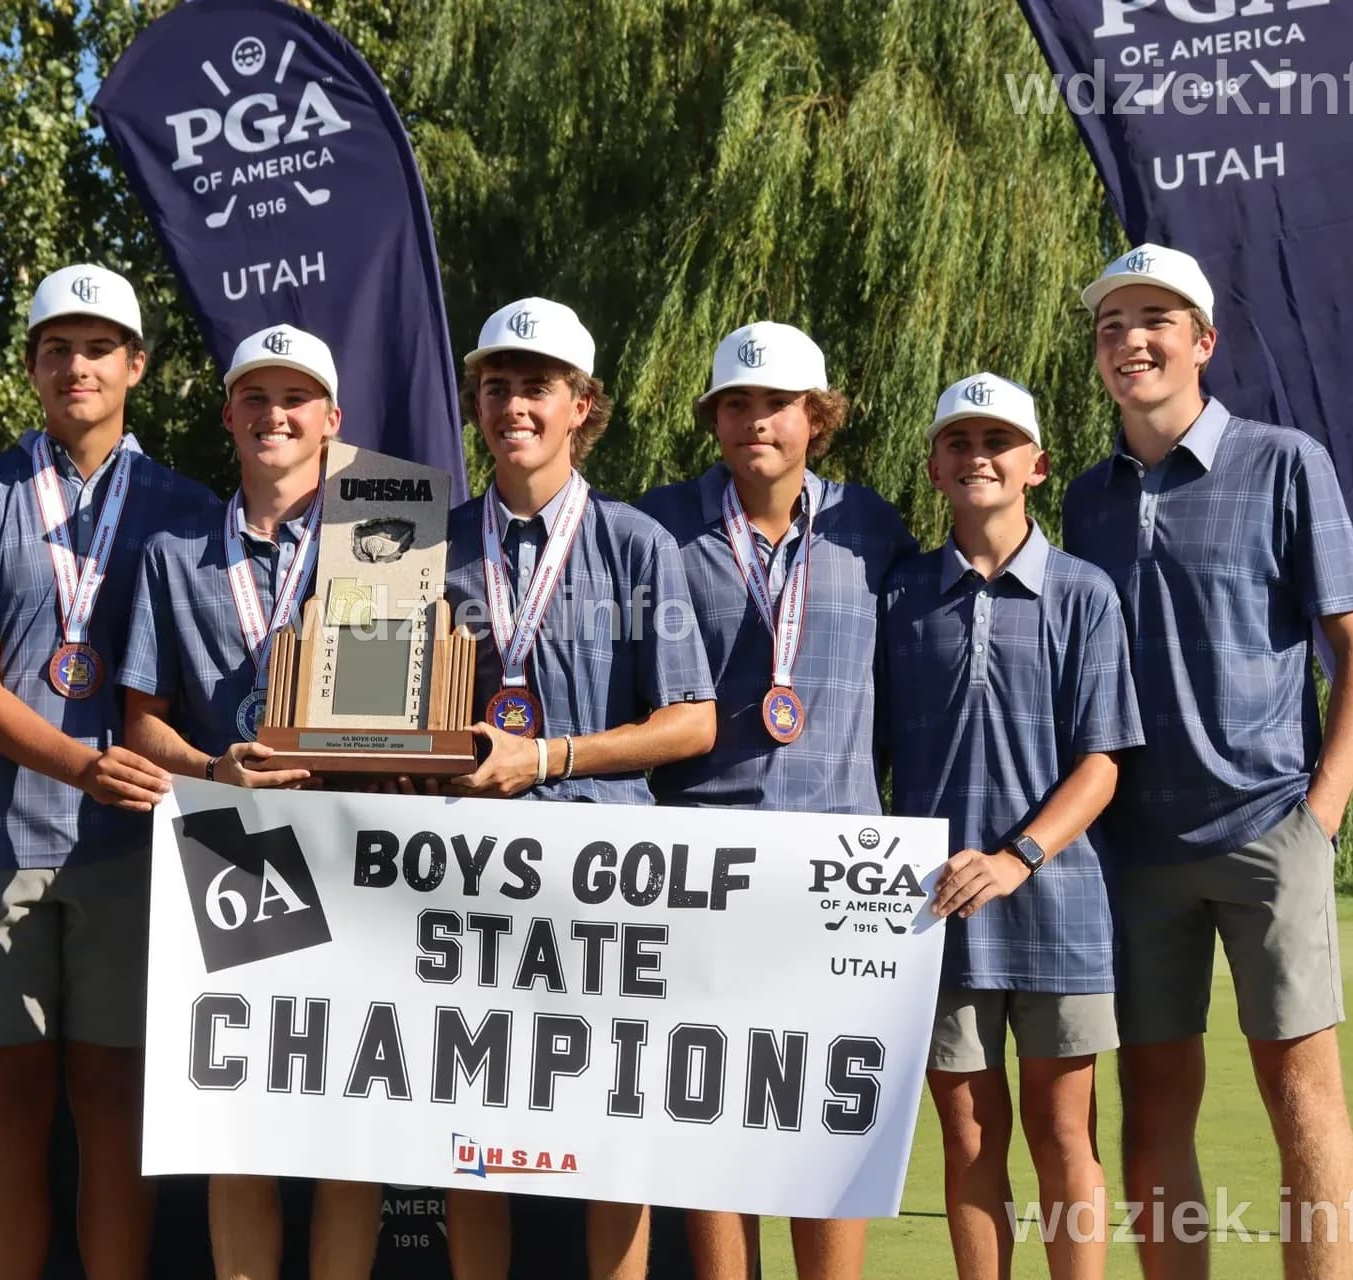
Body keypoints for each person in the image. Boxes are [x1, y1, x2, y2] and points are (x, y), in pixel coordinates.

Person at [1063, 244, 1353, 1278]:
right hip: (1136, 848)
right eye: (1113, 325)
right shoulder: (1086, 497)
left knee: (1302, 1097)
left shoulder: (1285, 460)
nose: (1132, 340)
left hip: (1267, 829)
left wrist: (1323, 813)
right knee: (1154, 1103)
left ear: (1202, 341)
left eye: (1156, 319)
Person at [0, 264, 219, 1279]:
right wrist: (90, 764)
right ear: (34, 367)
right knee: (9, 1111)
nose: (75, 365)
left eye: (97, 348)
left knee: (112, 1108)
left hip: (132, 848)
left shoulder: (186, 507)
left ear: (135, 364)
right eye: (56, 348)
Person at [442, 297, 717, 1280]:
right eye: (499, 384)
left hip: (607, 876)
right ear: (478, 399)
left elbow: (692, 720)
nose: (515, 403)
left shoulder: (639, 542)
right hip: (464, 877)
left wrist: (547, 757)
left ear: (580, 405)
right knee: (467, 1136)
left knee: (612, 1133)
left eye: (537, 386)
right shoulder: (422, 541)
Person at [639, 321, 916, 1280]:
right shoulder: (658, 527)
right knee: (713, 1112)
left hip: (839, 865)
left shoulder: (871, 529)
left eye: (778, 405)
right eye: (737, 404)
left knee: (826, 1122)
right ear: (715, 418)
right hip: (698, 858)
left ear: (818, 419)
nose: (756, 421)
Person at [120, 321, 382, 1280]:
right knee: (243, 1120)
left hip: (357, 842)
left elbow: (411, 710)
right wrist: (213, 769)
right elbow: (139, 723)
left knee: (350, 1122)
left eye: (296, 399)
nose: (276, 414)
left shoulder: (381, 535)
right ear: (229, 413)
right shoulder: (172, 551)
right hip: (227, 847)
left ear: (330, 421)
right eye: (257, 399)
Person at [881, 374, 1143, 1280]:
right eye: (959, 442)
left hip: (1061, 906)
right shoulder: (901, 596)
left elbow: (1103, 762)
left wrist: (1019, 857)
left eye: (998, 442)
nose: (978, 456)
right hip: (934, 911)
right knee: (968, 1139)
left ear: (1036, 465)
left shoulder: (1083, 593)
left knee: (1065, 1133)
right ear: (934, 469)